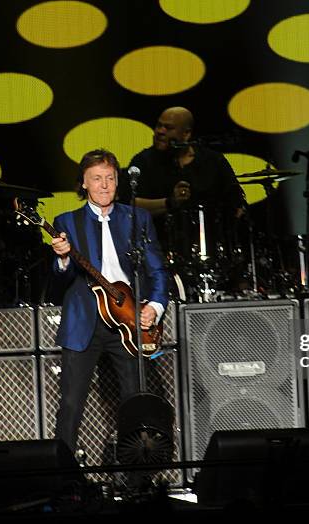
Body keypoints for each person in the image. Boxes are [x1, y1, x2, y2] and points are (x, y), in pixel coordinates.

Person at [51, 149, 168, 454]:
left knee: (135, 400)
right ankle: (61, 478)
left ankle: (138, 478)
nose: (104, 185)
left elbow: (157, 270)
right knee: (71, 403)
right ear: (84, 184)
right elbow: (59, 280)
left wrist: (153, 308)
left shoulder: (137, 218)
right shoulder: (66, 221)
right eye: (97, 179)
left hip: (127, 321)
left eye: (110, 178)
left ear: (118, 182)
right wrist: (62, 259)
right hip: (84, 323)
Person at [119, 107, 246, 296]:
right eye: (159, 125)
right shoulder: (144, 161)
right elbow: (129, 206)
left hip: (215, 253)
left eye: (168, 128)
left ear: (186, 134)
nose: (160, 131)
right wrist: (170, 203)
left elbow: (237, 204)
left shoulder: (213, 161)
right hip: (159, 252)